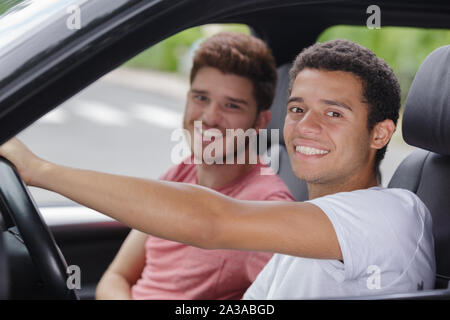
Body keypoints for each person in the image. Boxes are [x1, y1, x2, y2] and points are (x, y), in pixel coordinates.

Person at [0, 39, 435, 299]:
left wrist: (39, 170)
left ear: (380, 134)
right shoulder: (307, 228)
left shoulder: (391, 215)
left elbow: (212, 221)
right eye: (298, 108)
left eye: (334, 114)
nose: (305, 127)